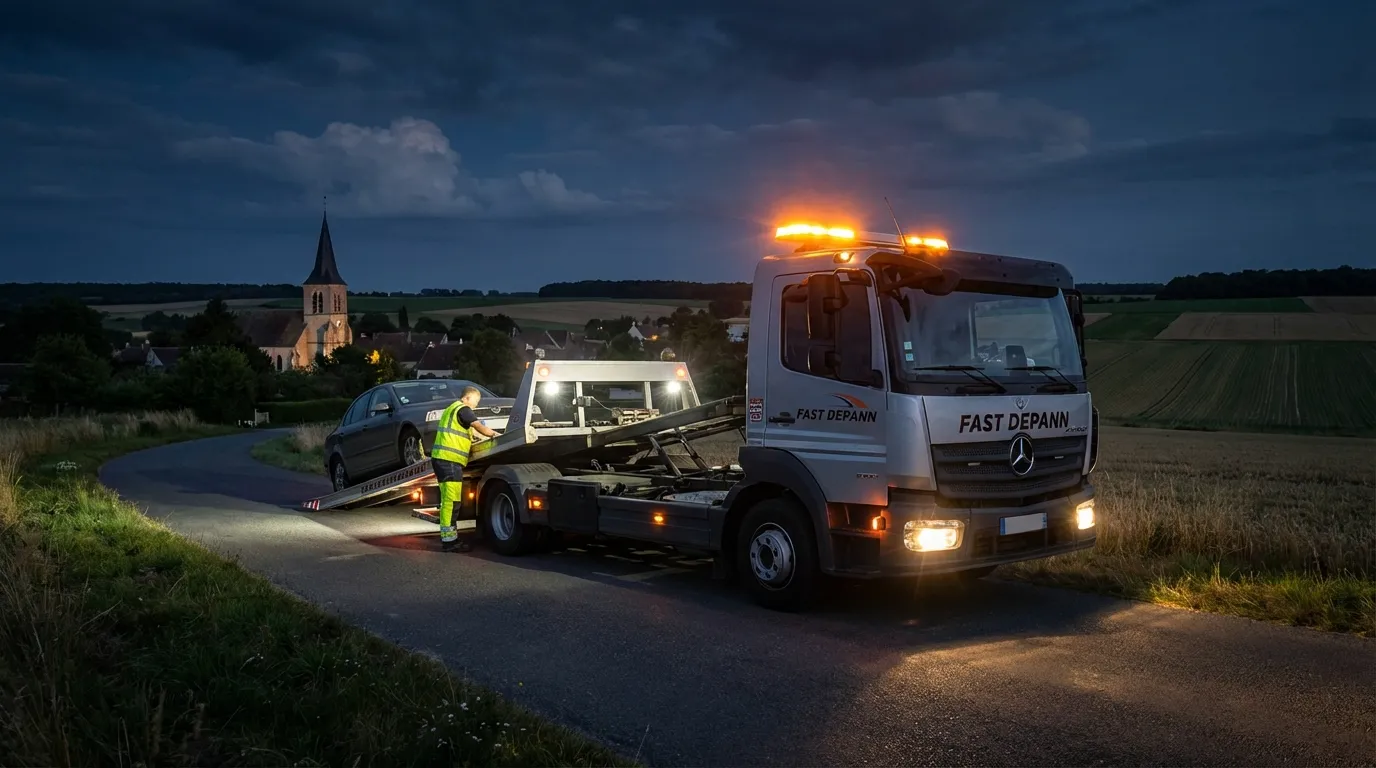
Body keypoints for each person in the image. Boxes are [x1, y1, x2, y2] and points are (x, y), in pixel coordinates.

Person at [430, 385, 499, 552]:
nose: (475, 405)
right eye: (476, 401)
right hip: (449, 461)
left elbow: (468, 433)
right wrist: (495, 435)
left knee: (449, 501)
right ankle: (449, 542)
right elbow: (478, 426)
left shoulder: (451, 410)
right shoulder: (463, 409)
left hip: (444, 460)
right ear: (467, 398)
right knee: (451, 502)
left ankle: (449, 540)